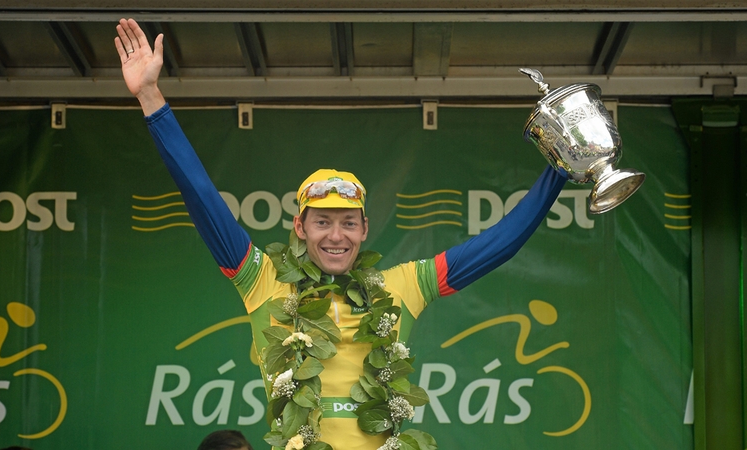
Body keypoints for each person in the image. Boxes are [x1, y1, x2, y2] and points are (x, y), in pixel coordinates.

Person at [115, 18, 567, 450]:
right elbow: (201, 196)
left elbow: (498, 244)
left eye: (348, 222)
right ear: (300, 226)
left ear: (364, 229)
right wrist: (151, 97)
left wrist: (560, 169)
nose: (337, 236)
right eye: (322, 222)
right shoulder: (263, 282)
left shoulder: (401, 287)